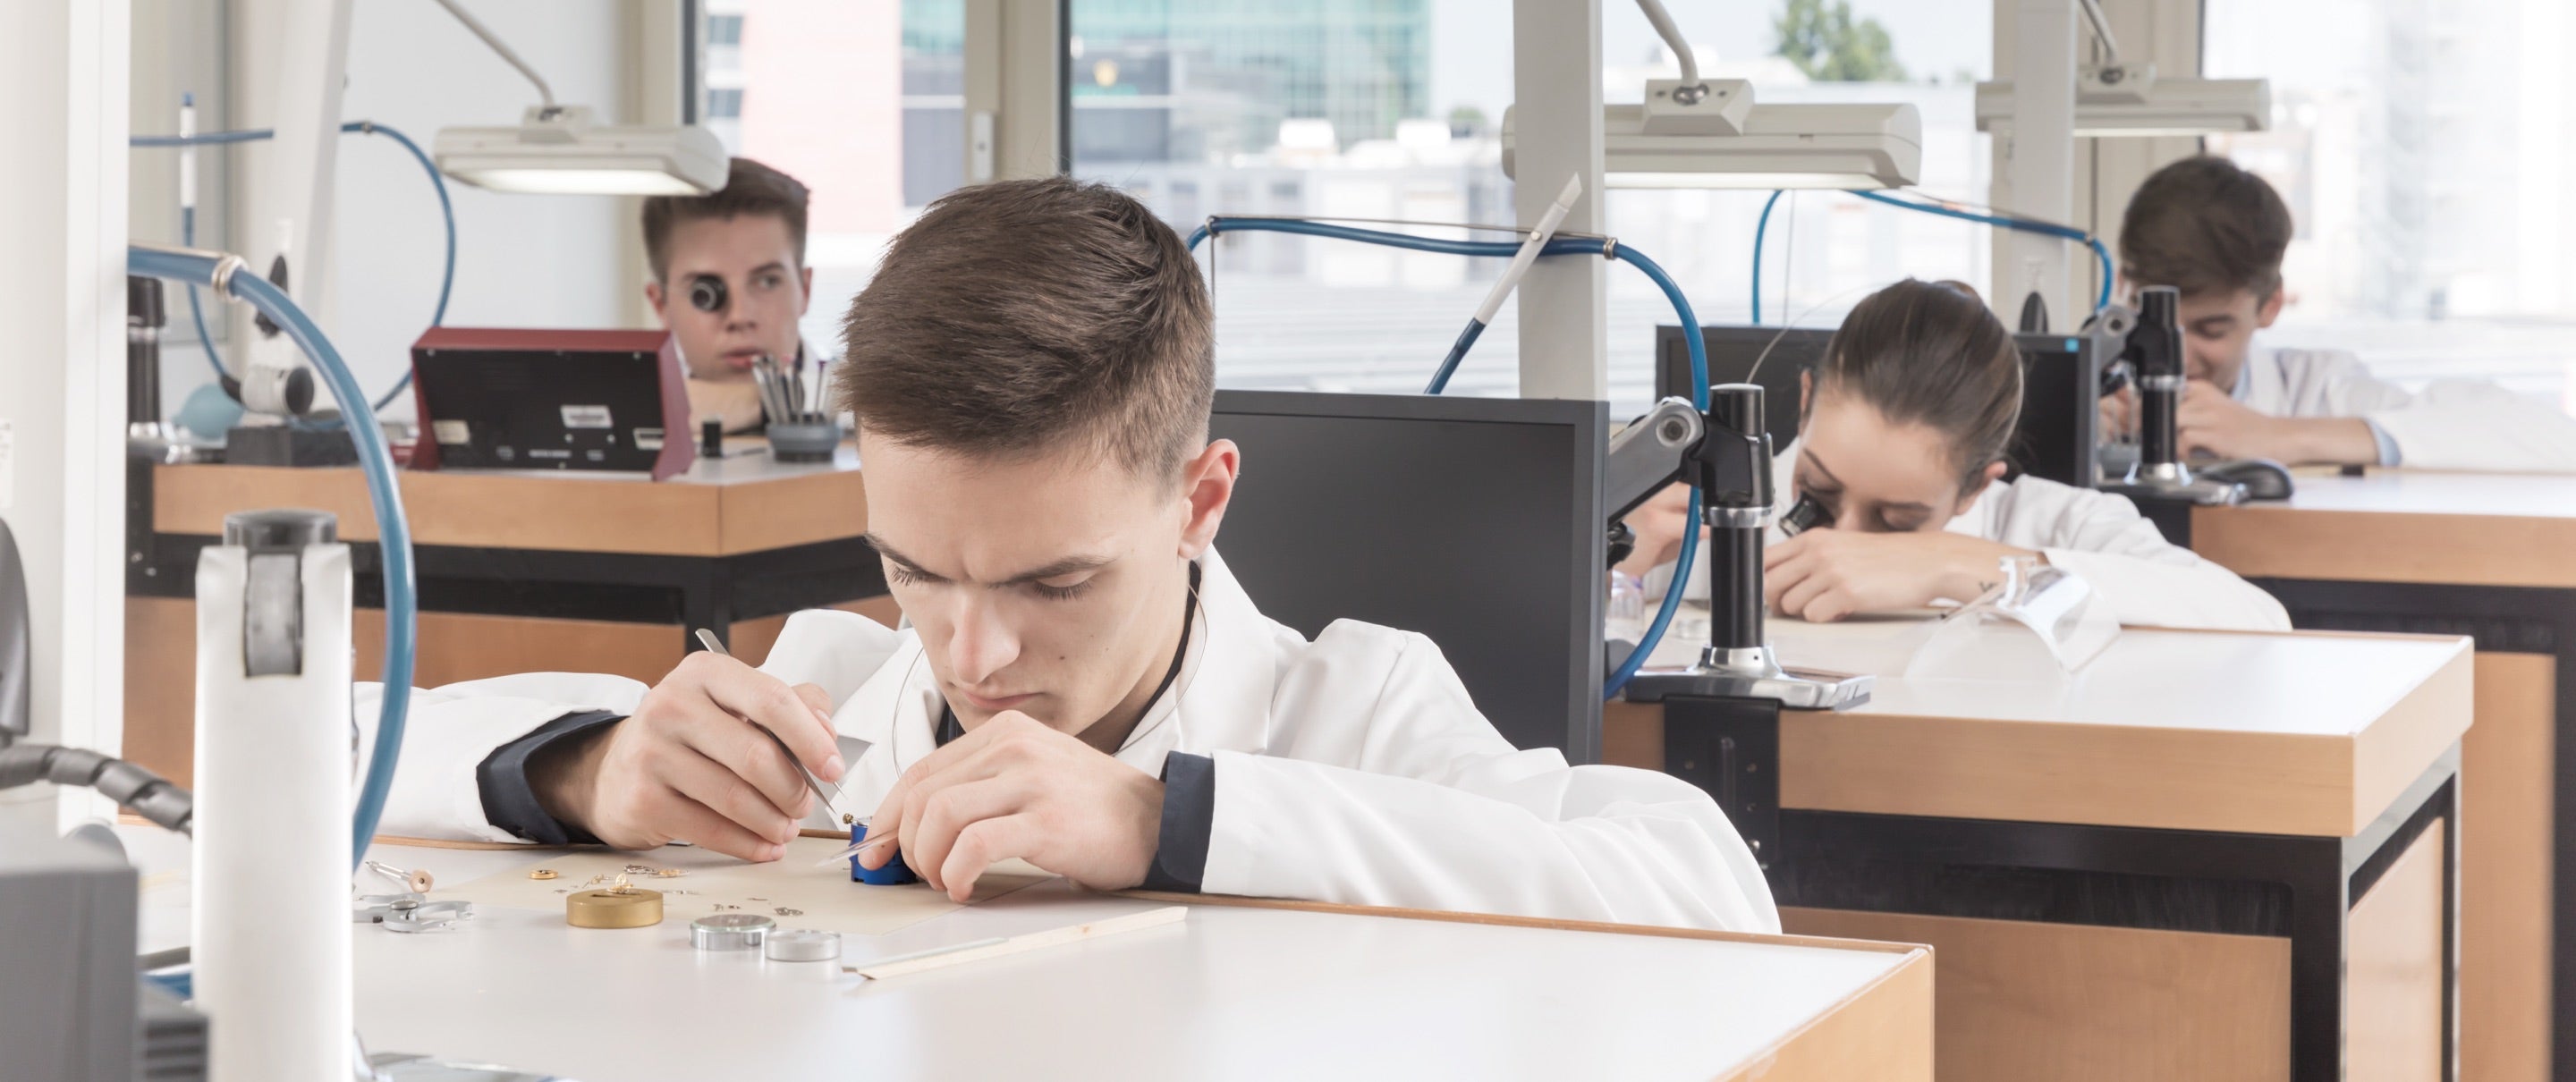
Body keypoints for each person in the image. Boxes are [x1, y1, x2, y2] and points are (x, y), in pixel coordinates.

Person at [358, 177, 1778, 933]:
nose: (970, 655)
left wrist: (1169, 821)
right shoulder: (832, 698)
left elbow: (1711, 893)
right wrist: (581, 770)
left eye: (1054, 581)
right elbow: (321, 749)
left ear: (1200, 499)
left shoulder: (1356, 705)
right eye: (915, 565)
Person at [1620, 278, 2289, 632]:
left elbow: (2257, 618)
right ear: (1804, 404)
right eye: (1817, 494)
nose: (1845, 543)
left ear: (1976, 488)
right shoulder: (1701, 512)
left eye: (1899, 520)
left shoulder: (2047, 525)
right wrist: (1611, 564)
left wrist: (1947, 564)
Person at [2106, 155, 2576, 472]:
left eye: (2211, 329)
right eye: (2155, 326)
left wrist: (2279, 437)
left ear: (2269, 306)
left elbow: (2555, 440)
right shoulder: (2088, 393)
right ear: (2125, 288)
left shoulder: (2317, 391)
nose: (2178, 357)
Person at [640, 157, 821, 433]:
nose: (740, 316)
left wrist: (764, 402)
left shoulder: (878, 414)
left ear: (805, 290)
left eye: (767, 282)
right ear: (660, 305)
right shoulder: (632, 418)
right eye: (704, 292)